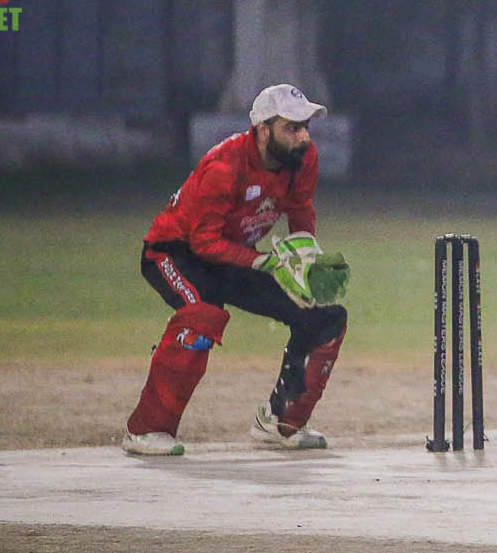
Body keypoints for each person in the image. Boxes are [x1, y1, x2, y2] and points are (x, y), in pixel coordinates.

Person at [122, 84, 347, 455]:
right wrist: (265, 262)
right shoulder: (224, 167)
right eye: (292, 128)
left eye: (305, 126)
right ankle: (146, 430)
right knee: (203, 315)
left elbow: (300, 207)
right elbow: (203, 243)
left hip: (235, 254)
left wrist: (305, 255)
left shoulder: (303, 158)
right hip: (175, 252)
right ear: (263, 129)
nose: (304, 137)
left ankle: (281, 424)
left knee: (323, 318)